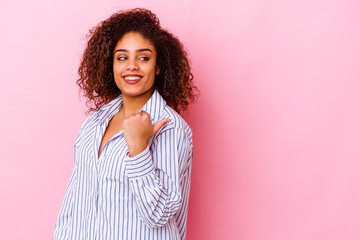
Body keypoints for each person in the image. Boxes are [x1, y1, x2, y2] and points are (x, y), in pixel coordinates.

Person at [54, 8, 198, 240]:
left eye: (143, 57)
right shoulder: (96, 122)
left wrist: (138, 148)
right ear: (110, 64)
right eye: (122, 57)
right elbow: (77, 199)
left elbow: (159, 214)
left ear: (158, 66)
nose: (131, 66)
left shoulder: (170, 127)